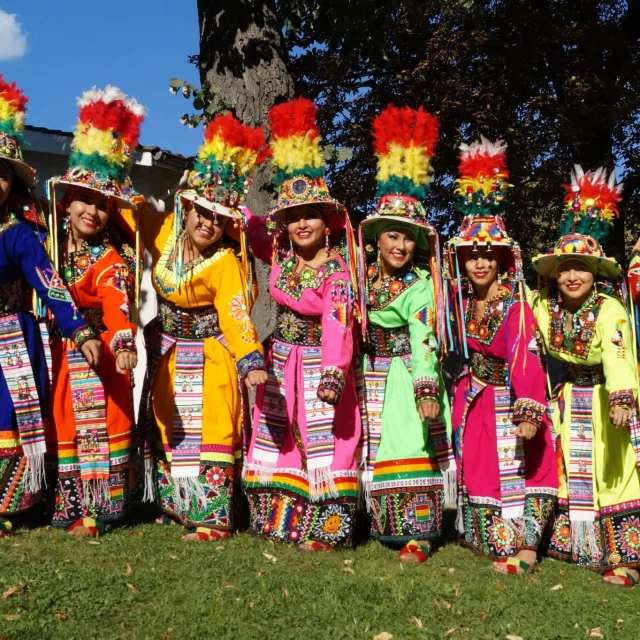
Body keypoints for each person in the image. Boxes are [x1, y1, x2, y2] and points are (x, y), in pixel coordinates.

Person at [134, 112, 267, 542]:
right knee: (169, 420)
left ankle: (212, 518)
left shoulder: (226, 261)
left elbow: (234, 312)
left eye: (218, 218)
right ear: (187, 207)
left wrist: (249, 359)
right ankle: (177, 505)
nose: (208, 223)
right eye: (202, 212)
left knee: (211, 425)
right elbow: (131, 219)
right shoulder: (166, 230)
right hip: (168, 347)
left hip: (210, 352)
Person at [243, 97, 364, 551]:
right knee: (278, 431)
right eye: (292, 217)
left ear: (327, 221)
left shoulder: (337, 274)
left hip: (321, 363)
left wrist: (333, 373)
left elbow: (338, 325)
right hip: (281, 359)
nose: (301, 224)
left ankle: (326, 527)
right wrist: (229, 194)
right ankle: (279, 519)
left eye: (310, 214)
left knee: (326, 438)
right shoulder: (279, 256)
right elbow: (251, 230)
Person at [445, 137, 558, 575]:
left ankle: (526, 548)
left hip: (508, 398)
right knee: (478, 467)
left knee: (520, 465)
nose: (479, 263)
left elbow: (526, 356)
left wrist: (529, 407)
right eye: (472, 255)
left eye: (488, 255)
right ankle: (483, 534)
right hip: (473, 396)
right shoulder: (454, 300)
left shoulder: (516, 305)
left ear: (502, 259)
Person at [0, 76, 101, 536]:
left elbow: (48, 280)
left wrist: (78, 330)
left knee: (6, 415)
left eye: (2, 173)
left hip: (10, 340)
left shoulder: (17, 234)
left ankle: (9, 504)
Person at [530, 166, 640, 587]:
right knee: (570, 471)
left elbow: (617, 355)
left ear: (596, 272)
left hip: (607, 399)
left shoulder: (610, 309)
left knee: (616, 470)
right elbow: (519, 312)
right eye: (565, 268)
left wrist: (622, 400)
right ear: (554, 273)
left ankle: (627, 557)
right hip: (568, 397)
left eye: (581, 267)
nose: (572, 276)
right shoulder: (545, 306)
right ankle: (581, 545)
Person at [46, 86, 144, 537]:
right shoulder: (47, 246)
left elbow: (115, 302)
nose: (92, 211)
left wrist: (122, 342)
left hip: (100, 351)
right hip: (60, 351)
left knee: (98, 425)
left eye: (102, 204)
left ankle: (97, 510)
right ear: (66, 203)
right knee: (64, 421)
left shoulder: (110, 261)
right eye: (84, 200)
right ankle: (67, 505)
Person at [358, 105, 454, 563]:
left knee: (404, 440)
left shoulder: (420, 287)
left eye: (408, 238)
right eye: (392, 236)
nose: (399, 246)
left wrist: (424, 386)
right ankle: (370, 520)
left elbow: (424, 338)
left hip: (401, 374)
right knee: (365, 444)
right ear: (376, 238)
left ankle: (416, 531)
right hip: (365, 371)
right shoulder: (356, 276)